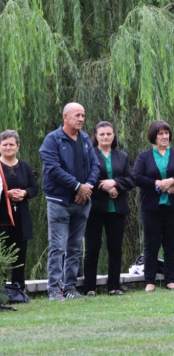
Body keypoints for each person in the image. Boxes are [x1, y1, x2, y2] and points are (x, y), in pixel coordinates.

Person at [39, 102, 100, 300]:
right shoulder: (52, 140)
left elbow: (95, 166)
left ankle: (70, 288)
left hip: (82, 201)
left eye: (83, 115)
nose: (81, 119)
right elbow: (53, 169)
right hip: (59, 201)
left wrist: (88, 186)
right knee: (58, 247)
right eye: (77, 115)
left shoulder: (84, 139)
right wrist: (77, 186)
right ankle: (54, 289)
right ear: (65, 117)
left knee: (75, 247)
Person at [134, 120, 174, 292]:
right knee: (151, 244)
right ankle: (150, 281)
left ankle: (170, 280)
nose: (164, 137)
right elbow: (136, 177)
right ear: (154, 136)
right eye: (160, 134)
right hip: (151, 207)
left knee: (171, 244)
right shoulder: (144, 156)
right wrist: (158, 184)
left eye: (166, 133)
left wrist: (172, 181)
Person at [83, 121, 135, 296]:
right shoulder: (88, 154)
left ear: (114, 136)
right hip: (95, 208)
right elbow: (85, 178)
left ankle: (113, 286)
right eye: (102, 134)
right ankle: (89, 287)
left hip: (117, 208)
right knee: (92, 248)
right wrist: (103, 185)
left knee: (115, 248)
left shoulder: (122, 156)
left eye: (109, 134)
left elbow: (131, 179)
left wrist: (115, 183)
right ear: (95, 136)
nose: (105, 137)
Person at [0, 130, 38, 291]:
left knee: (20, 253)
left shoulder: (25, 166)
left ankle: (18, 289)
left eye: (11, 144)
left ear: (18, 146)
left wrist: (25, 192)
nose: (8, 147)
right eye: (4, 145)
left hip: (21, 216)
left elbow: (34, 188)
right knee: (1, 253)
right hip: (2, 216)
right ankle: (1, 290)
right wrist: (6, 193)